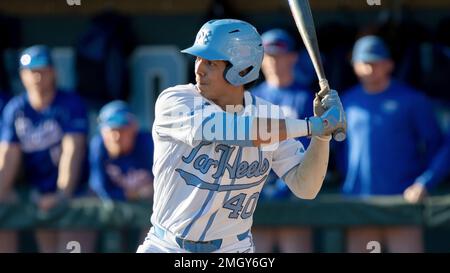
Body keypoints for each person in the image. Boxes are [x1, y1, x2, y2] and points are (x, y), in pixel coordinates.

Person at [136, 19, 346, 253]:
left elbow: (306, 187)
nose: (199, 68)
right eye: (198, 58)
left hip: (233, 248)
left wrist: (322, 136)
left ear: (242, 69)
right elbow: (233, 130)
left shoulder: (268, 114)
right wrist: (313, 125)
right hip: (167, 245)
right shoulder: (176, 101)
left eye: (211, 63)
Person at [340, 35, 443, 253]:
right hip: (358, 203)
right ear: (354, 65)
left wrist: (425, 182)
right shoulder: (346, 102)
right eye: (363, 63)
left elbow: (439, 145)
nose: (369, 69)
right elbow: (332, 151)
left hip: (403, 202)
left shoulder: (412, 100)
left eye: (374, 62)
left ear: (389, 64)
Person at [0, 45, 96, 253]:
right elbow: (8, 157)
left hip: (76, 193)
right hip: (39, 194)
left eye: (42, 71)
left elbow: (73, 151)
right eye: (32, 72)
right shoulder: (16, 109)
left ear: (53, 72)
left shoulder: (70, 103)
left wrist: (63, 194)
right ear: (22, 75)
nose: (37, 77)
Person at [251, 28, 314, 253]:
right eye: (268, 57)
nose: (273, 62)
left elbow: (311, 145)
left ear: (293, 58)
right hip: (256, 192)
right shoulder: (250, 98)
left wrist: (288, 182)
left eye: (279, 56)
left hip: (294, 189)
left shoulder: (306, 98)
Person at [89, 100, 154, 202]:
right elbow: (102, 192)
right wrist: (136, 194)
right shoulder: (98, 147)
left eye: (122, 130)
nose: (116, 137)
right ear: (102, 133)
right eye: (111, 131)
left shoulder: (148, 143)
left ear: (134, 128)